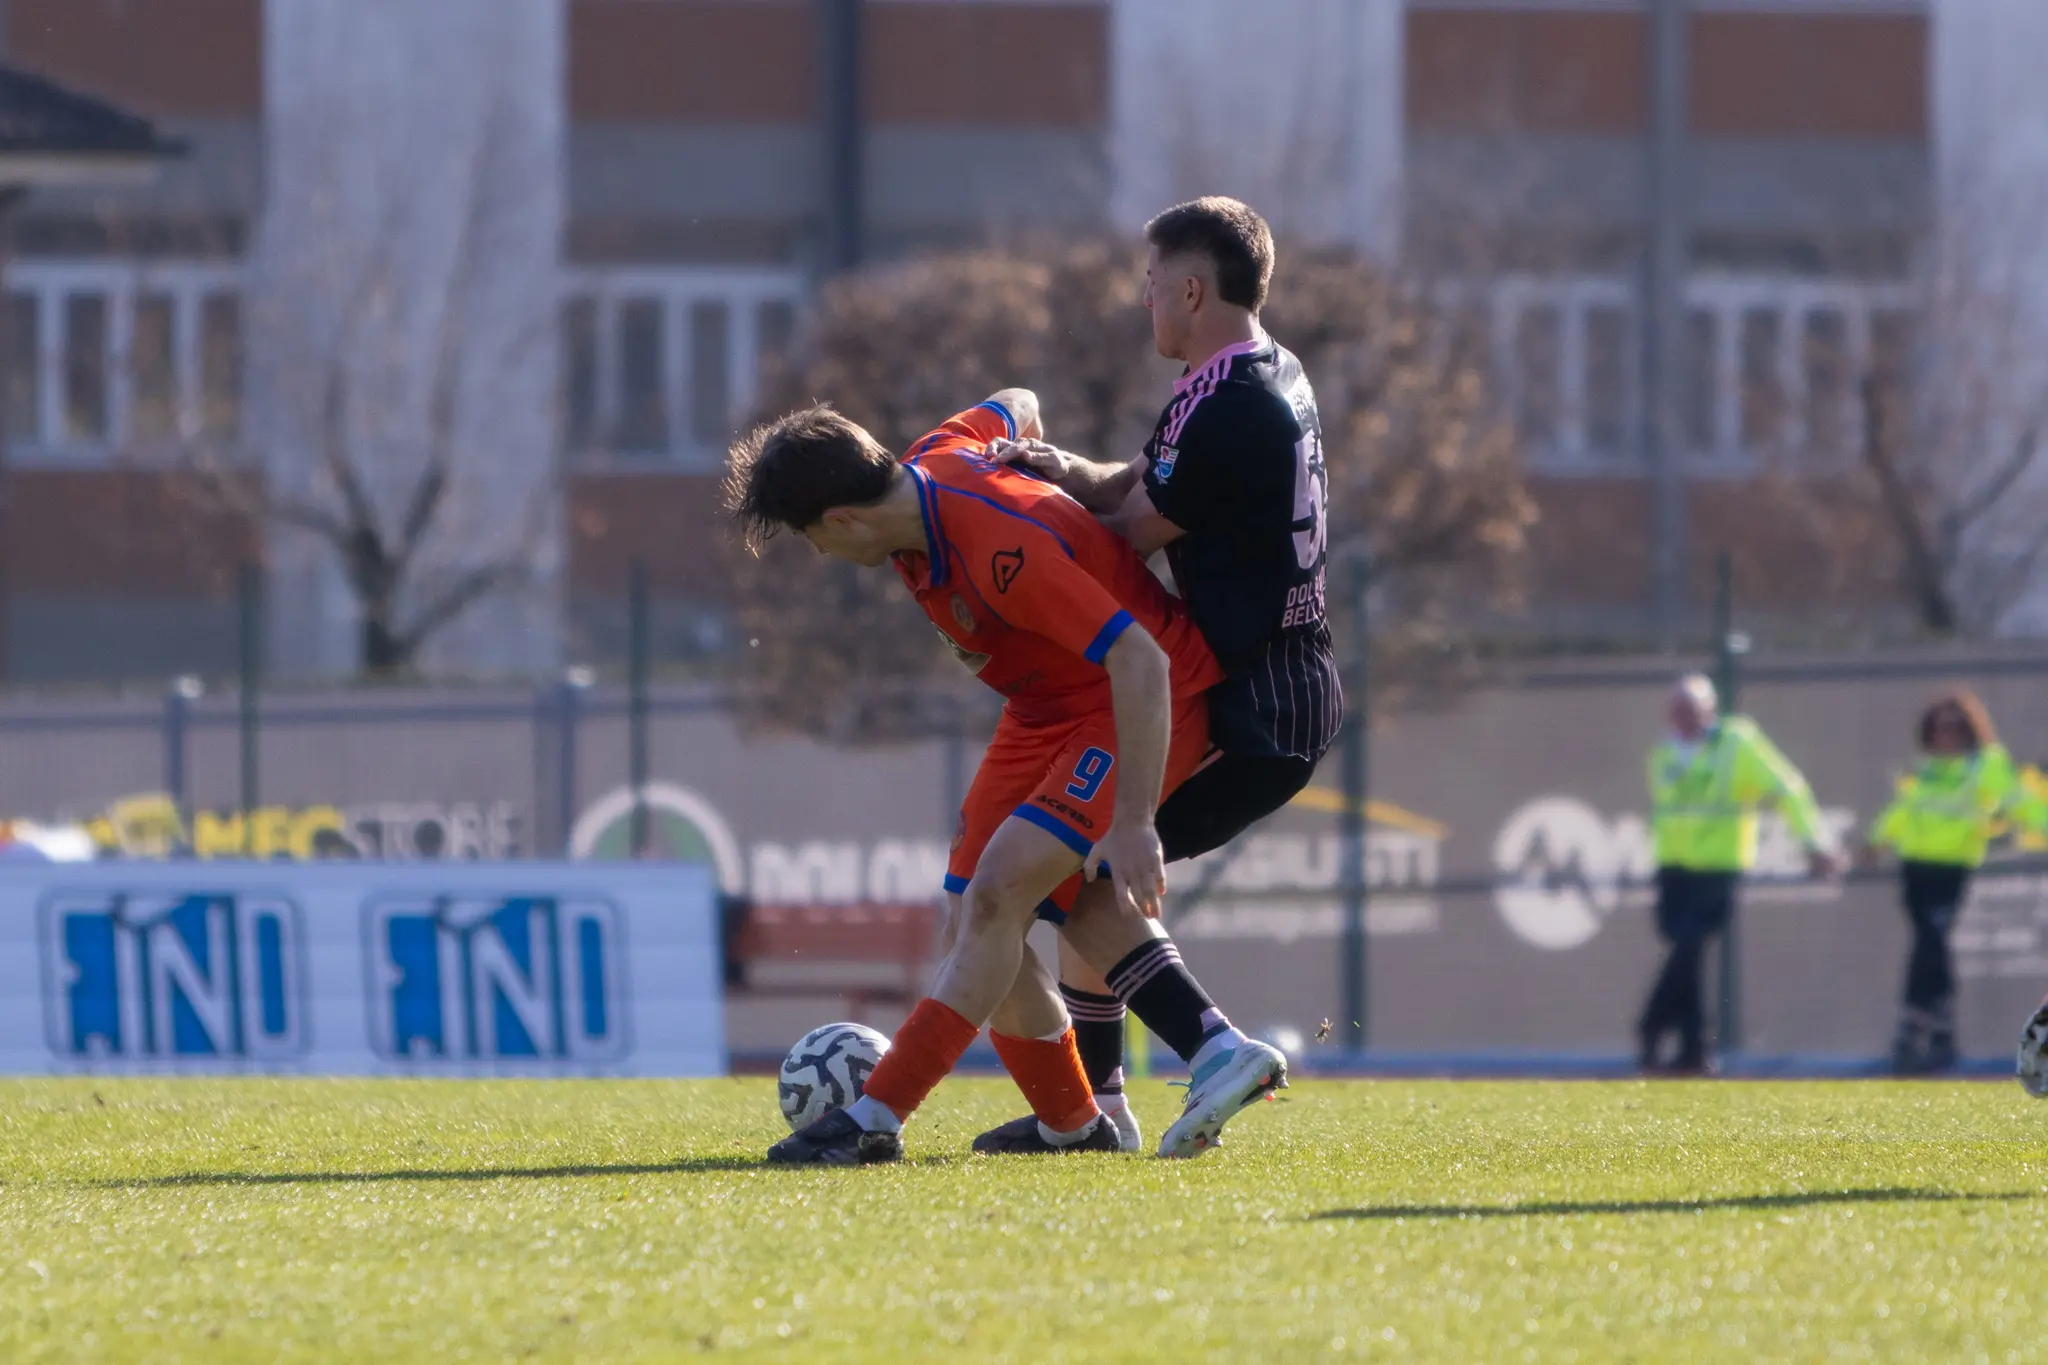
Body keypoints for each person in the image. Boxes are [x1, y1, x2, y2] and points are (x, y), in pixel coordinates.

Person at [727, 392, 1283, 1165]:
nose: (820, 554)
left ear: (845, 521)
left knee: (999, 893)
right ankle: (1074, 1125)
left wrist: (1132, 820)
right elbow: (1017, 401)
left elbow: (1141, 662)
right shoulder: (942, 453)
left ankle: (874, 1113)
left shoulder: (999, 548)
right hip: (1045, 709)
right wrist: (1023, 439)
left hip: (1130, 699)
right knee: (967, 918)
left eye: (812, 537)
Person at [982, 196, 1340, 1153]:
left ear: (1192, 287)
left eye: (1151, 285)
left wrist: (989, 521)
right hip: (1277, 686)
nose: (1143, 301)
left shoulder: (1232, 408)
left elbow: (1126, 536)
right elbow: (1141, 484)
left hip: (1256, 706)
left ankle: (1214, 1050)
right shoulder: (1254, 371)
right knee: (1077, 867)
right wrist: (1057, 469)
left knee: (1074, 877)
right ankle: (1099, 1112)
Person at [1638, 674, 1843, 1075]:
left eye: (1691, 708)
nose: (1682, 717)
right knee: (1685, 954)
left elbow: (1787, 788)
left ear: (1710, 710)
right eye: (1676, 709)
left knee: (1690, 947)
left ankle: (1654, 1028)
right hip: (1673, 868)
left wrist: (1813, 842)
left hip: (1718, 866)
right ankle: (1691, 1051)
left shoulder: (1736, 744)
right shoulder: (1662, 754)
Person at [1864, 690, 2048, 1074]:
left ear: (1969, 729)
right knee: (1926, 943)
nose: (1945, 734)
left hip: (1953, 867)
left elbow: (2018, 801)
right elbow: (1903, 811)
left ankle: (1927, 1020)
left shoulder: (1985, 764)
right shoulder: (1926, 768)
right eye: (1938, 727)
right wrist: (1876, 841)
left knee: (1933, 937)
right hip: (1916, 866)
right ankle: (1926, 1025)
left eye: (1953, 727)